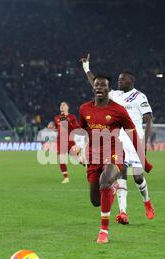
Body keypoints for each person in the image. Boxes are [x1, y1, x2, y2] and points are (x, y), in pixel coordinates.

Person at [80, 53, 154, 224]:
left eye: (123, 79)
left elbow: (149, 119)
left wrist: (145, 143)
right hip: (118, 141)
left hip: (134, 139)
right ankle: (123, 212)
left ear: (131, 81)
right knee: (120, 175)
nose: (120, 81)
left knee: (138, 177)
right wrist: (86, 68)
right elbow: (96, 85)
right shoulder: (115, 95)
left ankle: (147, 202)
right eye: (119, 79)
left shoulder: (140, 97)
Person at [78, 75, 144, 244]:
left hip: (115, 151)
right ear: (93, 88)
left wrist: (143, 157)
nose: (99, 87)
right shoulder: (84, 109)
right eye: (96, 85)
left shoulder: (118, 110)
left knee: (105, 180)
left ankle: (103, 231)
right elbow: (83, 131)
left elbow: (132, 133)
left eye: (103, 85)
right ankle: (113, 189)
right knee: (95, 201)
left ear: (109, 89)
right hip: (94, 155)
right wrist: (80, 149)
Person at [54, 102, 80, 183]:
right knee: (61, 159)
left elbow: (77, 128)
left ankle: (90, 169)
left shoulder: (72, 117)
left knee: (78, 159)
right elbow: (57, 128)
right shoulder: (57, 118)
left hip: (70, 141)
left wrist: (68, 123)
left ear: (68, 107)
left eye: (64, 105)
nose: (62, 106)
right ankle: (66, 178)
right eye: (61, 105)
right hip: (60, 141)